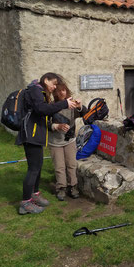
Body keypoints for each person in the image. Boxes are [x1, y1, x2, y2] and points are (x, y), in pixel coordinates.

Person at [16, 73, 77, 214]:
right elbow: (41, 109)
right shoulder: (35, 90)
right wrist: (64, 103)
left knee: (37, 167)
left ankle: (34, 195)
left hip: (36, 135)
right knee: (33, 169)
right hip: (31, 135)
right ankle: (25, 203)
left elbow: (44, 110)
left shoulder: (40, 91)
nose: (54, 87)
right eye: (53, 83)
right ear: (46, 80)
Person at [48, 78, 87, 201]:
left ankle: (73, 187)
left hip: (70, 140)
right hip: (55, 142)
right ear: (55, 93)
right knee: (59, 167)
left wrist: (80, 107)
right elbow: (45, 124)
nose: (62, 93)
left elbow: (85, 115)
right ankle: (61, 188)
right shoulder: (51, 106)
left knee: (71, 164)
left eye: (64, 90)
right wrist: (56, 126)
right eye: (59, 91)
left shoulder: (72, 105)